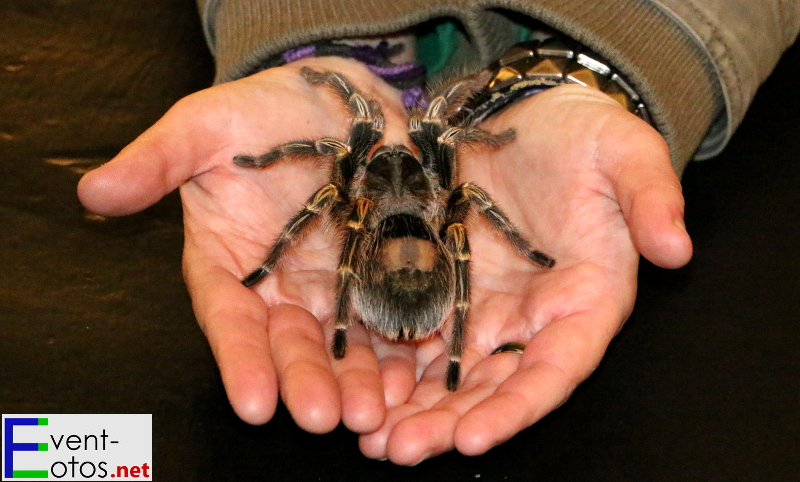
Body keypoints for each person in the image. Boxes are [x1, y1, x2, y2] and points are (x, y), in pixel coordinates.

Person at [77, 0, 799, 465]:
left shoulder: (353, 191)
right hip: (412, 240)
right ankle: (434, 342)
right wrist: (308, 46)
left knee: (343, 189)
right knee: (422, 203)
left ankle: (368, 331)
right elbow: (476, 195)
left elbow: (336, 185)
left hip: (384, 241)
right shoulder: (446, 190)